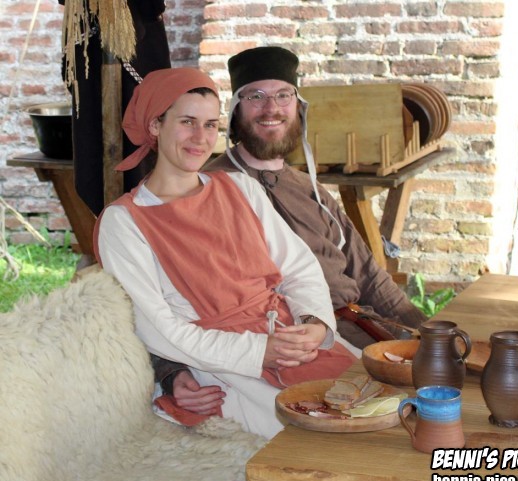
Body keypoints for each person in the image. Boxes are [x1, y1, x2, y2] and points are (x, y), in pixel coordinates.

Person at [152, 46, 427, 418]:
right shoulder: (209, 191)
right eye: (256, 97)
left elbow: (369, 277)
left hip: (363, 331)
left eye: (283, 95)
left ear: (298, 107)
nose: (271, 109)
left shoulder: (310, 188)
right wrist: (170, 372)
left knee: (444, 390)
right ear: (235, 112)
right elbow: (170, 295)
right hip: (289, 346)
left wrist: (427, 332)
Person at [93, 67, 360, 439]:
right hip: (223, 365)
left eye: (209, 125)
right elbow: (157, 328)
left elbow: (299, 267)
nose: (200, 138)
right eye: (187, 122)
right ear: (155, 125)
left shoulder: (240, 187)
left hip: (289, 339)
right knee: (323, 437)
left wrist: (314, 324)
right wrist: (257, 352)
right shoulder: (124, 221)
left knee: (381, 405)